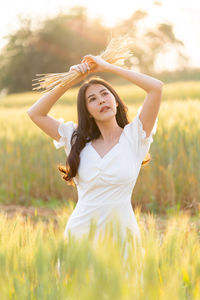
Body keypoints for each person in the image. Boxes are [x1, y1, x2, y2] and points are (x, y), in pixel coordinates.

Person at [27, 55, 163, 261]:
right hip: (80, 235)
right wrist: (70, 80)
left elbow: (156, 88)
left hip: (122, 238)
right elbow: (35, 113)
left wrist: (107, 67)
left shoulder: (135, 136)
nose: (100, 100)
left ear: (116, 101)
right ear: (88, 112)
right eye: (92, 99)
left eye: (105, 94)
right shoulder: (75, 140)